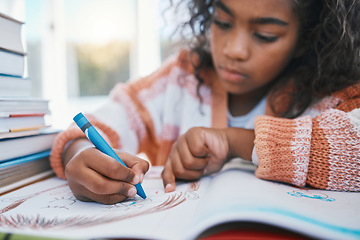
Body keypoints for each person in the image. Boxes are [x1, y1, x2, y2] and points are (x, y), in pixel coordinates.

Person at [50, 0, 360, 204]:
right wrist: (80, 154)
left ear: (305, 39)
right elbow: (107, 119)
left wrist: (238, 142)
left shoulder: (331, 94)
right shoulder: (181, 78)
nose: (234, 50)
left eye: (265, 34)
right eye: (223, 22)